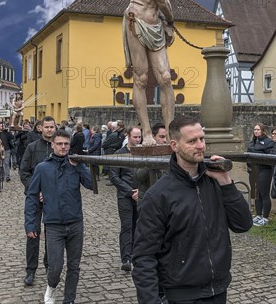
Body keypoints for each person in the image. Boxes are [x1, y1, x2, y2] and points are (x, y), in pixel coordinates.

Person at [132, 116, 253, 303]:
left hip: (219, 290)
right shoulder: (158, 195)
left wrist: (226, 182)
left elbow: (243, 224)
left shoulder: (216, 183)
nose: (200, 146)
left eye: (202, 139)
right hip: (182, 296)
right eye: (192, 141)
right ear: (174, 145)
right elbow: (144, 256)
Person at [24, 129, 93, 304]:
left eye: (66, 144)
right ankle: (51, 288)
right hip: (53, 224)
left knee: (74, 266)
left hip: (75, 223)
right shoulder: (42, 168)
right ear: (52, 145)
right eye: (60, 144)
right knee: (55, 266)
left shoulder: (75, 165)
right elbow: (32, 197)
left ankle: (69, 299)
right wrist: (31, 224)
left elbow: (92, 185)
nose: (63, 147)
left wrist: (81, 166)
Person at [123, 0, 175, 146]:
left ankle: (172, 133)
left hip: (155, 24)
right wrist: (172, 21)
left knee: (165, 78)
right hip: (137, 21)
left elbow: (158, 1)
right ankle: (146, 132)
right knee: (141, 78)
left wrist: (163, 21)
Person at [19, 116, 57, 286]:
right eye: (46, 127)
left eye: (52, 127)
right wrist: (36, 190)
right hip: (34, 197)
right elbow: (24, 172)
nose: (49, 130)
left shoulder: (59, 149)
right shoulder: (32, 148)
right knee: (33, 234)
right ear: (41, 128)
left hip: (54, 199)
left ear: (55, 128)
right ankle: (30, 270)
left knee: (52, 233)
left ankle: (49, 265)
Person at [107, 126, 142, 272]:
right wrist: (130, 191)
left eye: (139, 137)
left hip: (141, 194)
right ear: (127, 136)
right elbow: (114, 176)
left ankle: (137, 255)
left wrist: (141, 191)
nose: (138, 140)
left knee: (139, 226)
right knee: (127, 226)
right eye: (135, 137)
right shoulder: (119, 154)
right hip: (125, 196)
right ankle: (126, 258)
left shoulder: (143, 153)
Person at [247, 123, 276, 227]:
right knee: (256, 194)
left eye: (258, 129)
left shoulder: (269, 142)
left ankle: (265, 217)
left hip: (264, 170)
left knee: (264, 194)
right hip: (253, 170)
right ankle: (258, 215)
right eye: (255, 129)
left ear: (263, 131)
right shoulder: (252, 142)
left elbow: (270, 157)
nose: (256, 131)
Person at [135, 122, 168, 199]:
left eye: (167, 137)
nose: (165, 140)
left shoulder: (172, 154)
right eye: (162, 137)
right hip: (147, 199)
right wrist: (153, 157)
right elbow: (139, 176)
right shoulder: (143, 153)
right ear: (153, 137)